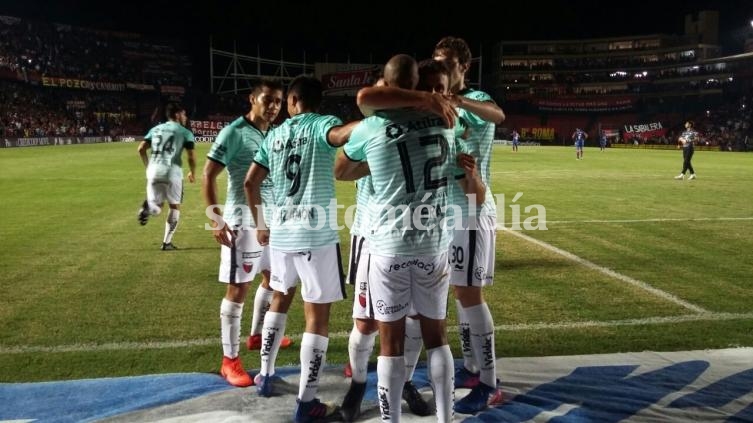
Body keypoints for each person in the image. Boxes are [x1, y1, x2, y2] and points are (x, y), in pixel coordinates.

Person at [337, 53, 485, 423]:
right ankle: (445, 418)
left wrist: (378, 156)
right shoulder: (445, 125)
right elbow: (475, 196)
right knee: (436, 336)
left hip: (385, 244)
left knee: (390, 344)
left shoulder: (371, 127)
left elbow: (341, 168)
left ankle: (388, 414)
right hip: (433, 245)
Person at [244, 75, 360, 423]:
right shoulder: (323, 124)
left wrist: (261, 224)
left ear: (292, 101)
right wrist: (374, 122)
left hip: (280, 234)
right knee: (316, 318)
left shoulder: (274, 134)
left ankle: (264, 375)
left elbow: (251, 182)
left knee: (279, 297)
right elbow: (342, 136)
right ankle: (306, 402)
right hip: (315, 236)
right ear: (315, 102)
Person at [202, 79, 292, 388]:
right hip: (242, 221)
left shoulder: (272, 133)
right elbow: (208, 174)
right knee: (238, 289)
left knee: (271, 279)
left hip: (271, 221)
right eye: (268, 100)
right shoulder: (234, 132)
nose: (273, 106)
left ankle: (256, 336)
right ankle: (229, 361)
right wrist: (215, 218)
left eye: (278, 102)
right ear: (252, 98)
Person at [434, 35, 506, 414]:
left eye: (447, 63)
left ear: (464, 67)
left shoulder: (475, 102)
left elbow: (498, 114)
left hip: (473, 209)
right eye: (436, 62)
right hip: (448, 210)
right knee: (458, 293)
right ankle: (473, 368)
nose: (441, 69)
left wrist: (457, 100)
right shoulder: (436, 99)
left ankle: (491, 383)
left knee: (469, 293)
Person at [137, 103, 196, 250]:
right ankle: (167, 243)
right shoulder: (185, 132)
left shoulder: (155, 129)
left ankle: (148, 207)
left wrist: (148, 166)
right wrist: (192, 172)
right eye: (184, 114)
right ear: (177, 115)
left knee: (157, 207)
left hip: (153, 171)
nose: (185, 117)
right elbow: (191, 156)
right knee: (174, 206)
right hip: (172, 172)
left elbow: (141, 149)